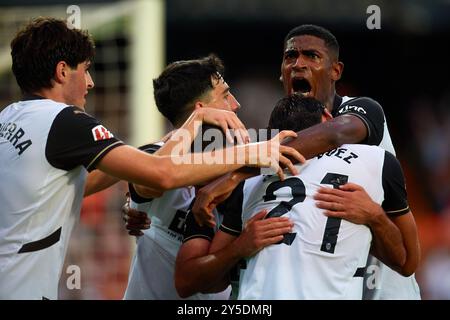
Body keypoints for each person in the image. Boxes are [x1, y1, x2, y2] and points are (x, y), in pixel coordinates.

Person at [0, 18, 302, 300]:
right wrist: (252, 151)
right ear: (62, 71)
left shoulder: (10, 118)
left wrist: (166, 150)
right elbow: (160, 176)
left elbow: (83, 183)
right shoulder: (66, 121)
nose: (90, 82)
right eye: (86, 69)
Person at [192, 24, 421, 299]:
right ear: (281, 71)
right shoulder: (273, 139)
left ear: (336, 71)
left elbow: (335, 133)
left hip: (383, 283)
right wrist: (140, 201)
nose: (298, 64)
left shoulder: (359, 111)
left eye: (311, 56)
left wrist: (235, 175)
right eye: (290, 57)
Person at [175, 95, 419, 299]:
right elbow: (407, 262)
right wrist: (375, 216)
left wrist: (239, 248)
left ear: (271, 137)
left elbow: (197, 283)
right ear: (327, 117)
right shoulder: (376, 161)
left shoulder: (248, 182)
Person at [123, 54, 288, 299]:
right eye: (224, 95)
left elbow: (299, 149)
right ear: (201, 110)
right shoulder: (152, 156)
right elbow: (155, 175)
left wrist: (235, 176)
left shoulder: (246, 156)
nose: (235, 104)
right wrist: (196, 122)